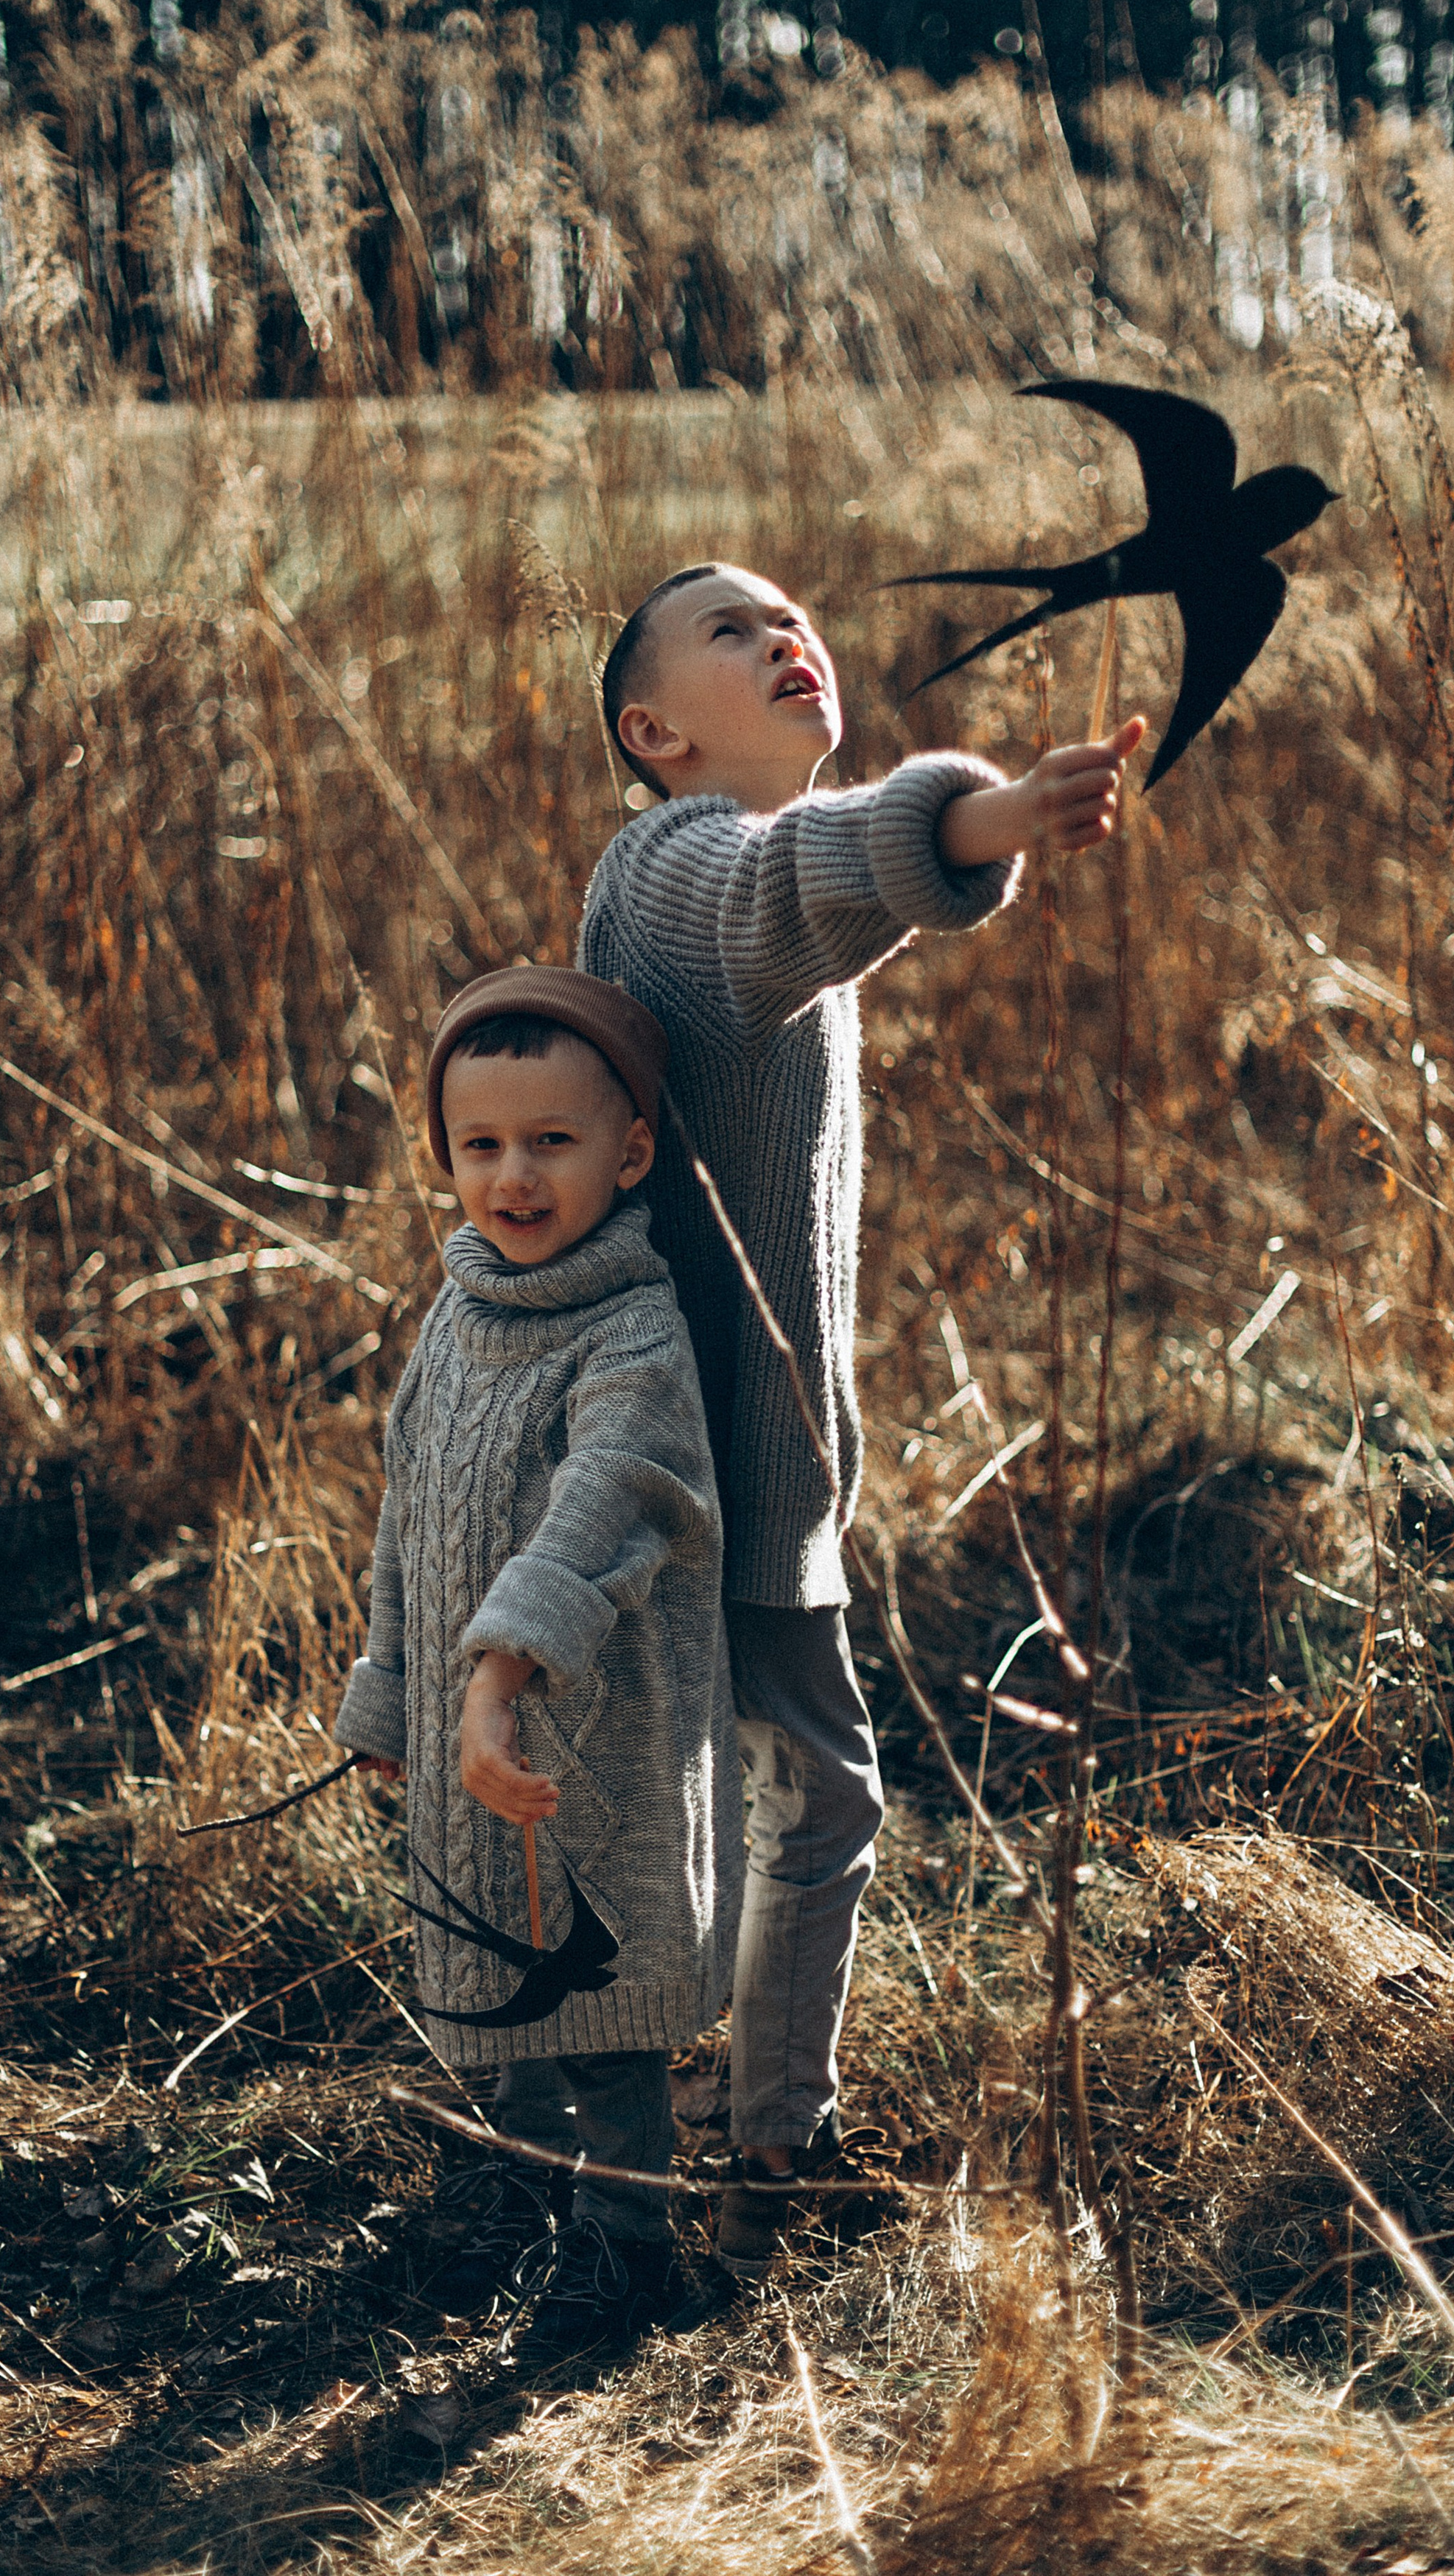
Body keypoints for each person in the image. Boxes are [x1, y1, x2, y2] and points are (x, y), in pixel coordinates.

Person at [580, 562, 1143, 2278]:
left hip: (739, 1462)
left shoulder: (724, 880)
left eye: (790, 615)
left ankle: (684, 2133)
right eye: (733, 629)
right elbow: (798, 881)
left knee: (743, 1801)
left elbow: (816, 893)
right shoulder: (679, 870)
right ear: (655, 728)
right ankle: (751, 2152)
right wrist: (976, 816)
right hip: (708, 1471)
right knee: (808, 1798)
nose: (784, 635)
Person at [332, 965, 739, 2369]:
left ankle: (631, 2256)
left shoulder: (634, 1329)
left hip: (586, 1750)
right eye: (481, 1145)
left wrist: (504, 1666)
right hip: (468, 1742)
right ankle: (517, 2196)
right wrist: (394, 1689)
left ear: (628, 1154)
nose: (513, 1176)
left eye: (553, 1142)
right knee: (493, 2000)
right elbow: (409, 1509)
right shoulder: (455, 1318)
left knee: (599, 2014)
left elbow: (611, 1497)